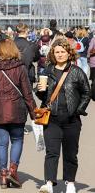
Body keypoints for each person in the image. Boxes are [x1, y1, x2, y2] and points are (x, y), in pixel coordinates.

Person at [0, 39, 37, 188]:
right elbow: (27, 93)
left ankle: (3, 175)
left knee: (1, 143)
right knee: (17, 140)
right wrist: (34, 113)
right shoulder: (20, 68)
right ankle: (13, 170)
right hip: (17, 110)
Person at [36, 39, 90, 193]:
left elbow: (87, 93)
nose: (59, 55)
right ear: (53, 54)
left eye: (62, 52)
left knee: (71, 153)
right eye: (56, 52)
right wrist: (40, 90)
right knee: (51, 152)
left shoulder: (76, 72)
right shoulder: (47, 71)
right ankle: (48, 182)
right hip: (52, 118)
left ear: (68, 53)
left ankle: (70, 182)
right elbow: (41, 95)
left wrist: (78, 110)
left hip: (71, 120)